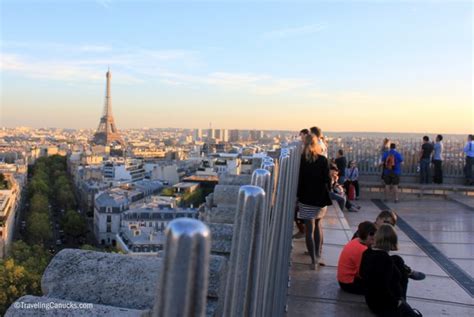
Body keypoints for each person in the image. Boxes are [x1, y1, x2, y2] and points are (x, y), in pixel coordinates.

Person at [359, 225, 423, 317]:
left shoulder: (367, 253)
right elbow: (382, 288)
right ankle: (404, 300)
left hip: (370, 300)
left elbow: (362, 274)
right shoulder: (384, 259)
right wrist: (397, 302)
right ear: (391, 242)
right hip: (384, 305)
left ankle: (407, 275)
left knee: (397, 260)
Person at [353, 210, 426, 281]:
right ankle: (406, 272)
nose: (387, 225)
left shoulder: (380, 232)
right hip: (360, 268)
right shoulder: (369, 230)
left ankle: (406, 271)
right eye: (386, 222)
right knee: (393, 263)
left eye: (391, 224)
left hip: (367, 263)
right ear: (378, 219)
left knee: (395, 260)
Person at [297, 134, 332, 269]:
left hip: (306, 198)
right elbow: (327, 180)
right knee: (318, 225)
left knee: (309, 231)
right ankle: (318, 255)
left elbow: (300, 181)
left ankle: (313, 261)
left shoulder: (301, 160)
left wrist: (298, 197)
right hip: (320, 199)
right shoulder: (323, 160)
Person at [338, 221, 377, 295]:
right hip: (349, 283)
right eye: (372, 239)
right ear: (367, 235)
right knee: (377, 287)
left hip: (343, 279)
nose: (373, 242)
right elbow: (362, 273)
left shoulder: (355, 240)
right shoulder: (362, 250)